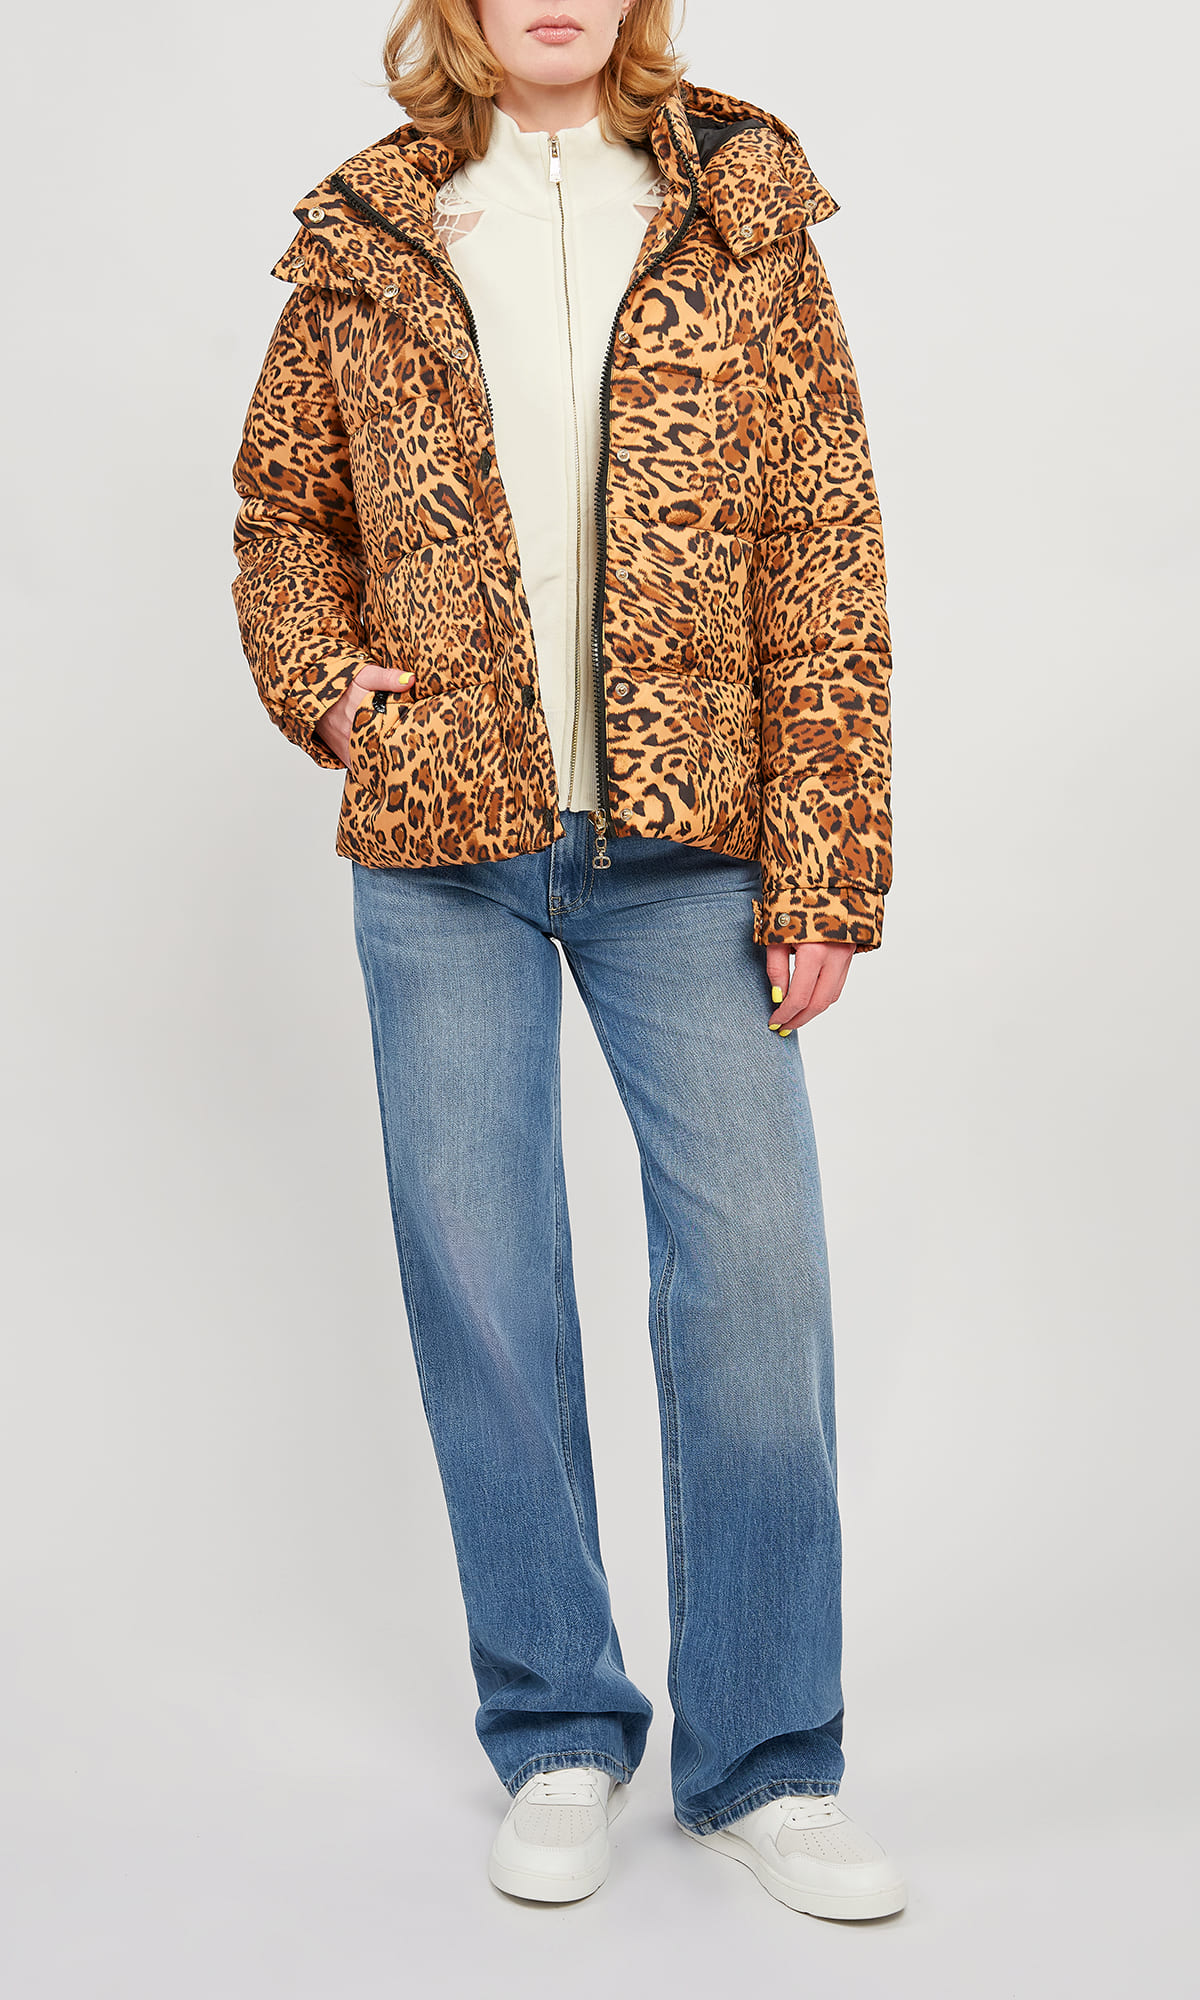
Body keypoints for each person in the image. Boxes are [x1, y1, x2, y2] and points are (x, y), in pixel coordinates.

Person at [231, 0, 902, 1920]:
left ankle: (767, 1759)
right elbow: (285, 510)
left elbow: (826, 543)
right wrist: (324, 685)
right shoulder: (368, 229)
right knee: (484, 1287)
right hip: (443, 842)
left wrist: (826, 863)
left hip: (691, 848)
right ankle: (556, 1730)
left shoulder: (738, 211)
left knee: (754, 1277)